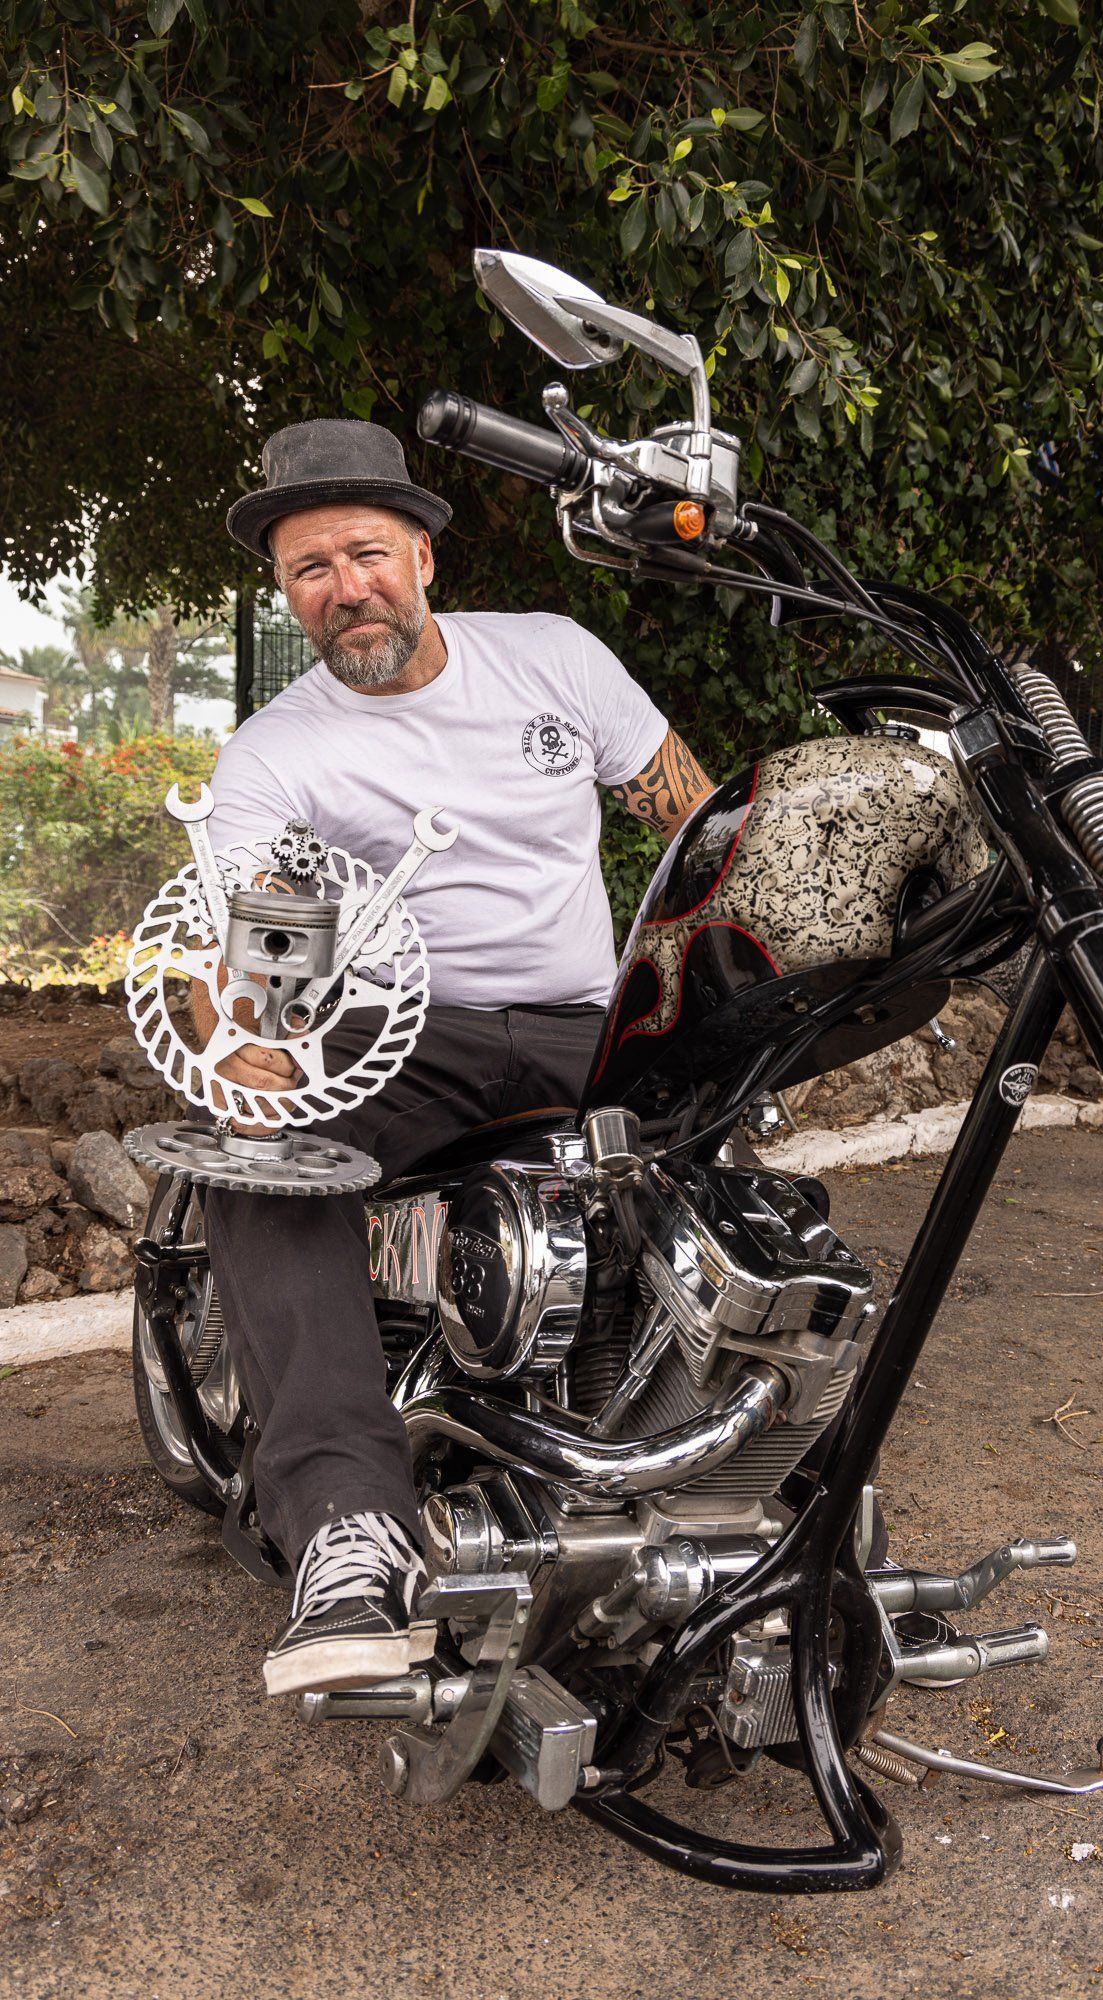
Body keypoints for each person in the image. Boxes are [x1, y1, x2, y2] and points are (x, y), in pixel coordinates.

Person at [203, 418, 714, 1697]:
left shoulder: (551, 658)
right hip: (395, 1034)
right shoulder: (277, 751)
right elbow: (267, 951)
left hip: (585, 1022)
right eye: (308, 569)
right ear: (285, 589)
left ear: (424, 553)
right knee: (256, 1155)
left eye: (364, 553)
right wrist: (253, 1043)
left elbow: (690, 826)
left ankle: (718, 1463)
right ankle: (346, 1529)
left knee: (727, 1180)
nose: (343, 589)